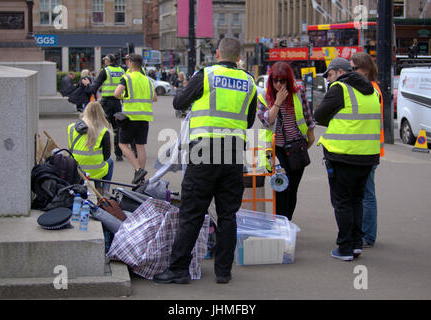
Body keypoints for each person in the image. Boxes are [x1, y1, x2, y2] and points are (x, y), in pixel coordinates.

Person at [153, 37, 257, 285]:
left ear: (218, 53)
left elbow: (179, 102)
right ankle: (223, 272)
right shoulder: (249, 82)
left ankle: (178, 269)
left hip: (204, 151)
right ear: (238, 57)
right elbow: (250, 121)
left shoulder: (206, 75)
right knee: (228, 214)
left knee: (192, 212)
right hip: (233, 152)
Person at [313, 57, 381, 261]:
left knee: (342, 202)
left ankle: (344, 248)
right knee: (357, 200)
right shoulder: (373, 91)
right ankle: (356, 244)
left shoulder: (340, 89)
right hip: (367, 155)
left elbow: (319, 115)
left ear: (341, 72)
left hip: (342, 154)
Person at [257, 62, 315, 221]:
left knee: (292, 190)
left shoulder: (298, 93)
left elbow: (308, 118)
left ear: (288, 80)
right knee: (281, 188)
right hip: (276, 150)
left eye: (282, 81)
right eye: (275, 80)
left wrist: (309, 138)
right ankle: (281, 227)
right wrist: (278, 102)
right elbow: (266, 120)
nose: (278, 84)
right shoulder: (264, 97)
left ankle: (286, 223)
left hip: (296, 147)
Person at [349, 52, 384, 248]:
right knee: (363, 193)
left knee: (366, 194)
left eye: (354, 69)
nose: (351, 73)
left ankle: (368, 235)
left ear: (365, 69)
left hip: (368, 149)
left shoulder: (371, 90)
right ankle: (365, 233)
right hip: (367, 148)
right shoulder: (371, 88)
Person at [114, 54, 157, 185]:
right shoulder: (147, 80)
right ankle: (141, 176)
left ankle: (138, 170)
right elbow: (155, 98)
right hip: (144, 118)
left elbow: (116, 93)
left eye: (127, 61)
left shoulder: (126, 78)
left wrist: (124, 97)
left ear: (131, 64)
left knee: (122, 144)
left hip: (130, 117)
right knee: (140, 146)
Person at [67, 101, 114, 196]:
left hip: (77, 168)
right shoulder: (103, 131)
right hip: (96, 169)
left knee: (95, 163)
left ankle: (96, 187)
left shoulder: (71, 128)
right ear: (101, 114)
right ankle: (105, 191)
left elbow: (71, 149)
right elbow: (106, 156)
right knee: (109, 162)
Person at [86, 54, 125, 162]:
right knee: (117, 128)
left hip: (107, 103)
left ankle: (99, 151)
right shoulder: (122, 71)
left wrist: (88, 86)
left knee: (101, 127)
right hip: (117, 102)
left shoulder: (105, 71)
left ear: (109, 61)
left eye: (105, 60)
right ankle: (119, 154)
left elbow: (95, 87)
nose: (104, 62)